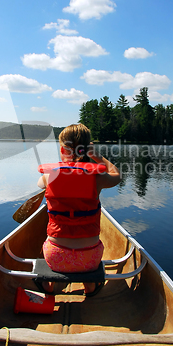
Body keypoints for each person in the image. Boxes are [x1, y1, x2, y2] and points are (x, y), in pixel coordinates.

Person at [36, 123, 121, 297]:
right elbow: (117, 176)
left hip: (56, 258)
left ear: (62, 149)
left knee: (48, 241)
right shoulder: (97, 178)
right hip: (89, 260)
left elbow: (39, 185)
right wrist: (98, 157)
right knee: (88, 247)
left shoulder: (48, 176)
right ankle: (89, 285)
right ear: (88, 148)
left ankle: (50, 284)